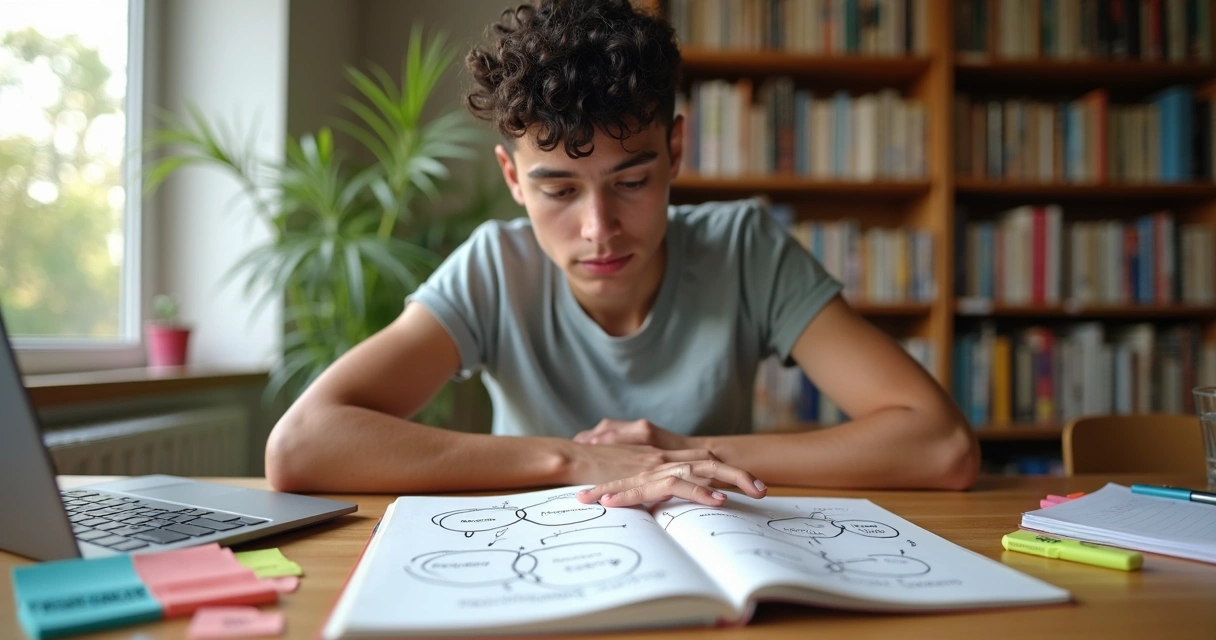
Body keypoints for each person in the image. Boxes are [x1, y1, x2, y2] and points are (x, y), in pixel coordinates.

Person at [264, 0, 978, 506]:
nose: (599, 228)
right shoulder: (494, 268)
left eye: (631, 181)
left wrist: (676, 457)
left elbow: (940, 446)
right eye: (559, 191)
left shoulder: (744, 248)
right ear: (513, 179)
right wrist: (575, 459)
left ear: (675, 151)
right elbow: (302, 446)